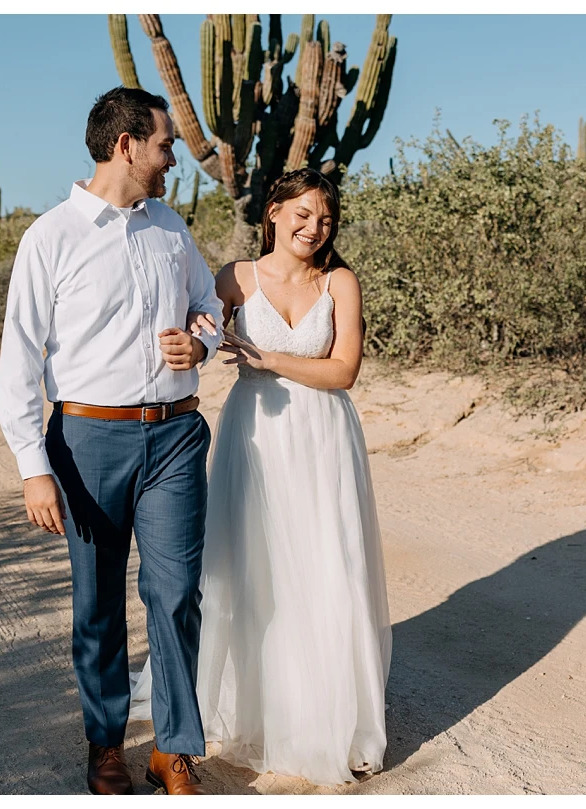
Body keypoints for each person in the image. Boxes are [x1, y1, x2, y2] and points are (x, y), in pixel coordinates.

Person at [130, 168, 392, 787]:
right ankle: (246, 706)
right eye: (302, 213)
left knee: (328, 563)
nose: (313, 227)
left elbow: (344, 371)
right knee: (251, 564)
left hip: (324, 433)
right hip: (255, 433)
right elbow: (197, 328)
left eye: (325, 218)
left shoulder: (340, 282)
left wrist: (268, 358)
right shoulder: (234, 279)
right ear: (273, 212)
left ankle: (332, 720)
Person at [0, 86, 224, 795]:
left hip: (177, 436)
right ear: (126, 145)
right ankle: (105, 742)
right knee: (97, 603)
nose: (172, 161)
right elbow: (19, 360)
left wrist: (201, 343)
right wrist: (34, 467)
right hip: (87, 440)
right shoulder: (51, 236)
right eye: (165, 146)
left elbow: (208, 305)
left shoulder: (171, 227)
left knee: (177, 592)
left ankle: (173, 747)